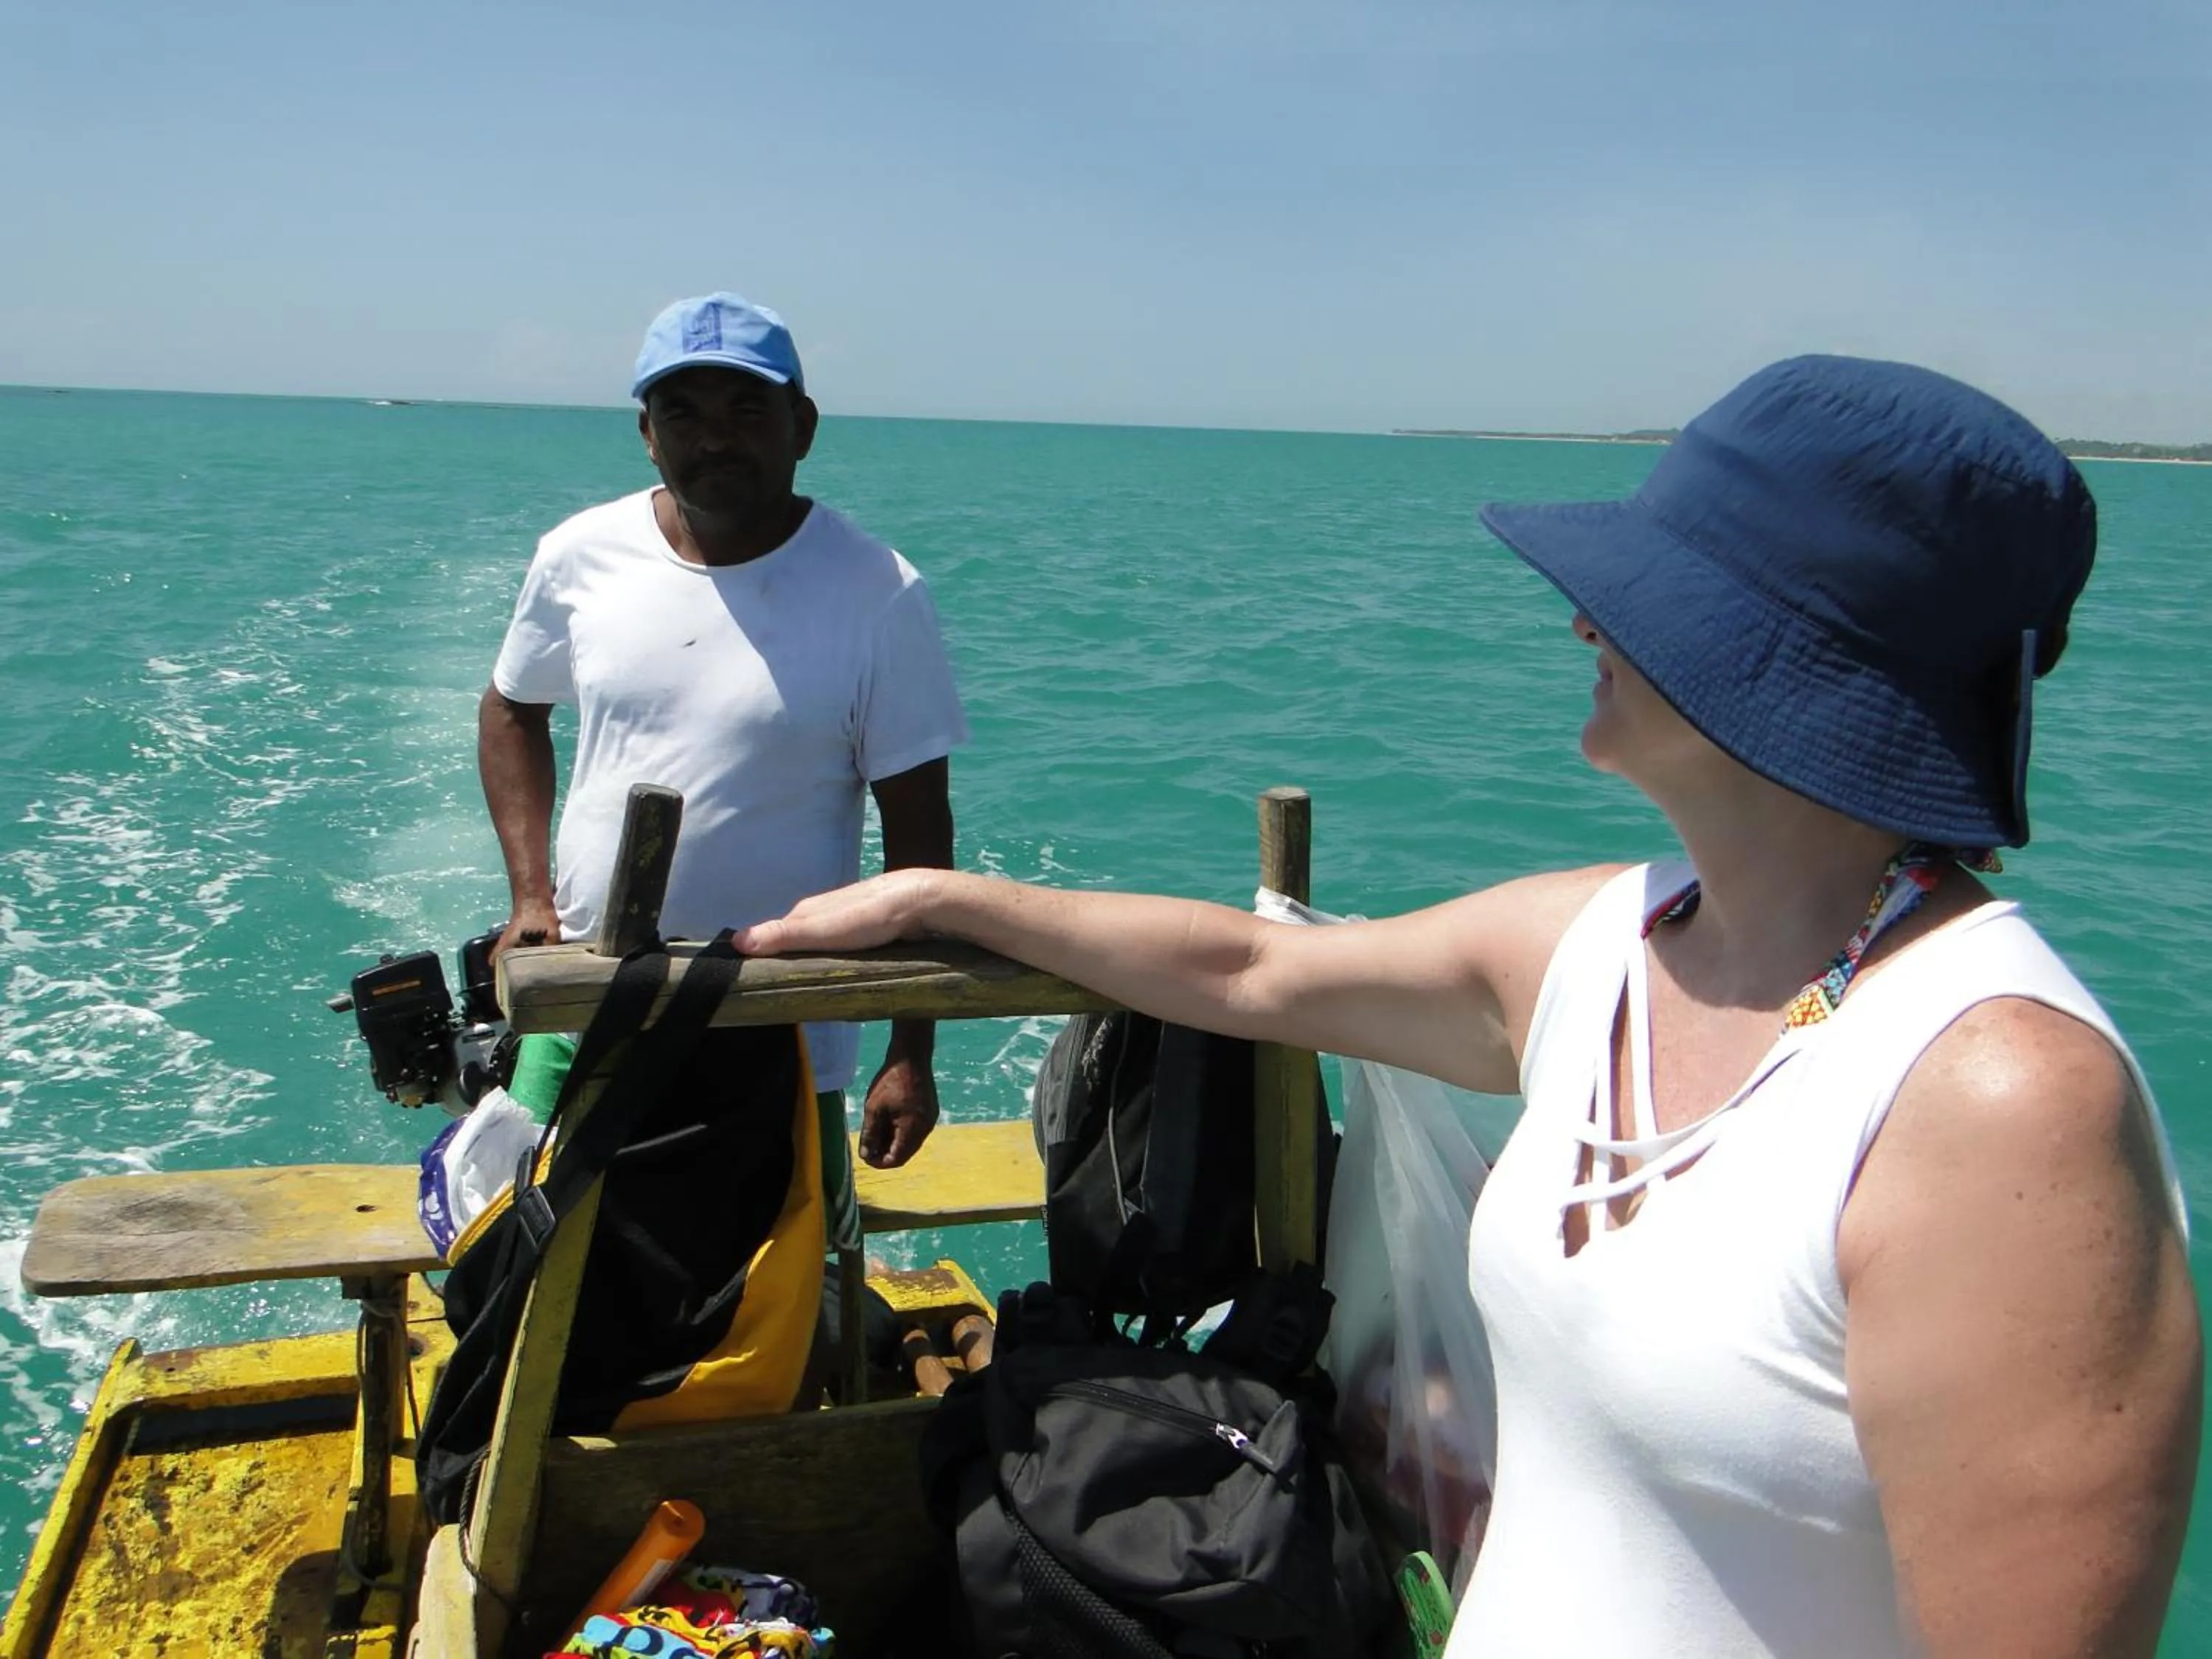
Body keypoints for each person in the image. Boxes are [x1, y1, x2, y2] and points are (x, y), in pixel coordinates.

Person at [734, 356, 2202, 1658]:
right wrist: (944, 902)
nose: (1579, 621)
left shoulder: (1999, 1103)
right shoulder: (1615, 940)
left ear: (1793, 657)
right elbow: (1255, 972)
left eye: (1646, 595)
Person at [479, 292, 969, 1258]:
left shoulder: (879, 592)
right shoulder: (579, 558)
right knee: (519, 1244)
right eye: (684, 414)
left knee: (783, 1282)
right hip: (589, 988)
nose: (716, 439)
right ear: (647, 435)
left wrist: (912, 1049)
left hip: (785, 1019)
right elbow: (510, 707)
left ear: (804, 427)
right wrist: (529, 894)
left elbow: (920, 833)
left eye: (748, 410)